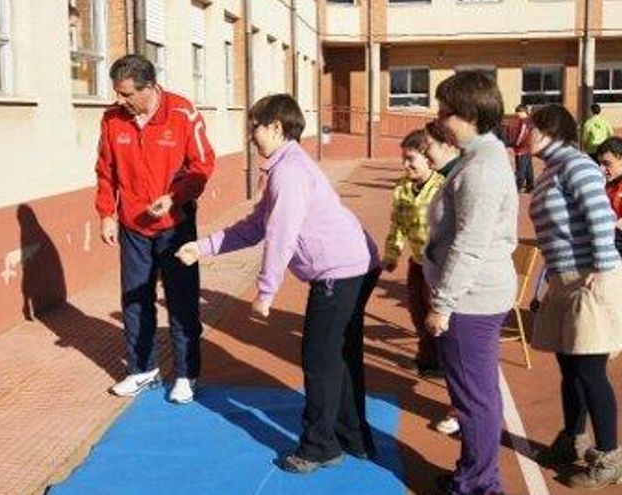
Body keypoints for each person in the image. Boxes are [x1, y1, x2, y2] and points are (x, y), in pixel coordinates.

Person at [176, 94, 380, 474]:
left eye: (254, 126)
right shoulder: (283, 167)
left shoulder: (289, 173)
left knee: (320, 360)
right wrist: (203, 248)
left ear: (275, 127)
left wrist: (266, 290)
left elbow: (281, 235)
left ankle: (320, 448)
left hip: (341, 270)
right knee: (338, 355)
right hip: (354, 264)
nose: (250, 134)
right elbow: (255, 226)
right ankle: (354, 438)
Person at [527, 104, 622, 489]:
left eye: (530, 127)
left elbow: (599, 215)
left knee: (590, 370)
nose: (524, 133)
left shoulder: (576, 165)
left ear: (549, 130)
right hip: (566, 280)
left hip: (589, 279)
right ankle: (572, 439)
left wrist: (599, 267)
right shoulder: (551, 170)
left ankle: (611, 458)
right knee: (570, 368)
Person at [95, 54, 216, 404]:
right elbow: (105, 170)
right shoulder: (112, 119)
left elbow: (202, 165)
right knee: (135, 300)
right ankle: (142, 370)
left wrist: (176, 197)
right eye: (117, 93)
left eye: (127, 94)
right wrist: (106, 213)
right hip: (133, 227)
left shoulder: (182, 113)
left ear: (149, 87)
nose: (120, 101)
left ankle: (186, 375)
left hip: (175, 226)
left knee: (181, 300)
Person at [424, 72, 518, 495]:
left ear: (471, 115)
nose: (438, 119)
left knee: (473, 399)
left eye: (446, 112)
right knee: (478, 393)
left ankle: (479, 485)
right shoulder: (479, 156)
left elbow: (470, 243)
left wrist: (442, 303)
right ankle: (475, 474)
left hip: (471, 299)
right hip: (476, 293)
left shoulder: (482, 168)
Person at [383, 129, 445, 377]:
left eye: (411, 159)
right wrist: (392, 254)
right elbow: (398, 224)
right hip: (417, 262)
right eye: (403, 159)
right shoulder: (402, 187)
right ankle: (428, 358)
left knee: (435, 314)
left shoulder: (442, 187)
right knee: (417, 312)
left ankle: (441, 362)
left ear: (428, 159)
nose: (405, 165)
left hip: (438, 265)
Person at [512, 104, 534, 192]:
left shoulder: (523, 122)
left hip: (521, 149)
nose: (517, 115)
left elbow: (521, 134)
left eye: (518, 113)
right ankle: (530, 185)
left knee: (520, 169)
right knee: (528, 168)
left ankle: (518, 186)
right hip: (528, 148)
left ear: (522, 112)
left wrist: (516, 143)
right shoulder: (530, 121)